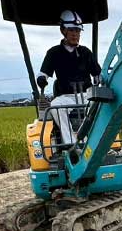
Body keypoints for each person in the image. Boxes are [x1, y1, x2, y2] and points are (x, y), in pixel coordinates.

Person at [37, 10, 102, 144]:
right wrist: (42, 79)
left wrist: (100, 79)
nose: (75, 34)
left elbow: (98, 74)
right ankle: (71, 142)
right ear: (63, 31)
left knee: (100, 106)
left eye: (77, 31)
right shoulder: (54, 53)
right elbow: (43, 73)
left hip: (87, 95)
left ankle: (94, 140)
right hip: (66, 97)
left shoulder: (85, 52)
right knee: (55, 106)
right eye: (71, 30)